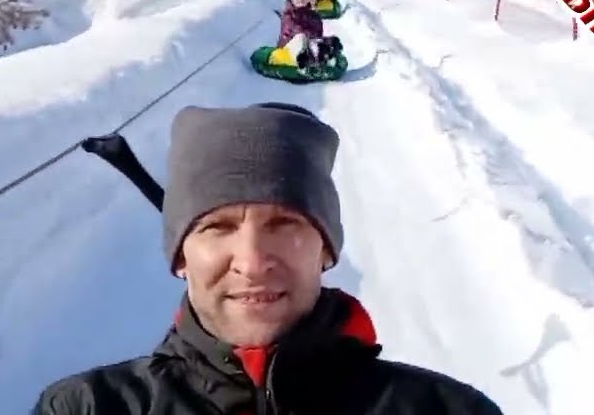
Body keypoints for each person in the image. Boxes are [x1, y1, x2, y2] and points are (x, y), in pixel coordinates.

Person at [34, 103, 507, 414]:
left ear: (326, 248)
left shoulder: (446, 411)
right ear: (181, 258)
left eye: (284, 223)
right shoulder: (86, 409)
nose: (253, 261)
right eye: (217, 227)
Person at [273, 0, 334, 69]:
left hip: (309, 45)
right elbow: (293, 30)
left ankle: (324, 57)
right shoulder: (289, 14)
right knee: (301, 37)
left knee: (325, 41)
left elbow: (318, 33)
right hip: (288, 48)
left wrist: (327, 41)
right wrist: (309, 36)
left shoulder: (313, 15)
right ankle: (303, 61)